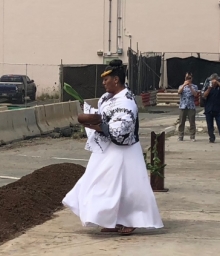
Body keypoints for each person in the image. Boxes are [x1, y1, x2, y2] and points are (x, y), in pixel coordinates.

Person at [63, 60, 163, 235]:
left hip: (125, 150)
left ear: (116, 80)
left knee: (128, 187)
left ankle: (131, 220)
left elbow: (121, 130)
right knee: (101, 183)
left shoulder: (126, 101)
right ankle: (111, 219)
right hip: (108, 149)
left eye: (106, 79)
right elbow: (103, 117)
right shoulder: (106, 98)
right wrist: (92, 117)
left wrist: (99, 124)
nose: (103, 83)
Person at [202, 73, 220, 143]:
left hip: (217, 109)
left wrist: (217, 82)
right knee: (210, 125)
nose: (213, 82)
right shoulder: (207, 87)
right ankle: (211, 138)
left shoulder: (219, 87)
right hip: (209, 109)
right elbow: (204, 96)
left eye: (214, 80)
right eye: (212, 80)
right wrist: (209, 88)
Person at [175, 72, 199, 141]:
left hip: (191, 106)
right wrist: (184, 85)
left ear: (192, 78)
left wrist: (190, 86)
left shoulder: (194, 86)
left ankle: (192, 136)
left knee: (192, 122)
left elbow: (195, 94)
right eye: (187, 78)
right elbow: (179, 92)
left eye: (189, 78)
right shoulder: (181, 86)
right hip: (183, 106)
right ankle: (180, 135)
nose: (188, 79)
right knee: (181, 122)